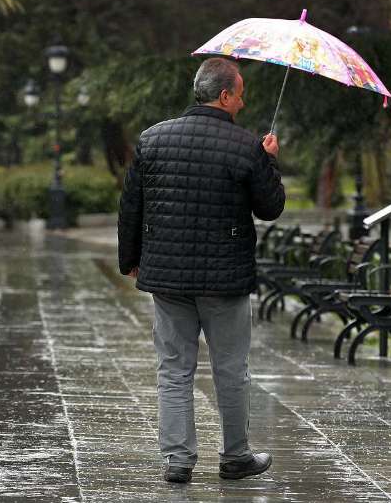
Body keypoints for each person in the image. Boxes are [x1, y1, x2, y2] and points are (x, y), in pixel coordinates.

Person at [117, 57, 285, 483]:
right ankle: (235, 457)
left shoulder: (152, 139)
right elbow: (270, 209)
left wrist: (131, 259)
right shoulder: (245, 145)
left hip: (168, 277)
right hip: (223, 280)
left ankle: (178, 460)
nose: (243, 103)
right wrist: (269, 163)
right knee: (231, 368)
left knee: (173, 368)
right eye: (240, 94)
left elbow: (131, 205)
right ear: (224, 95)